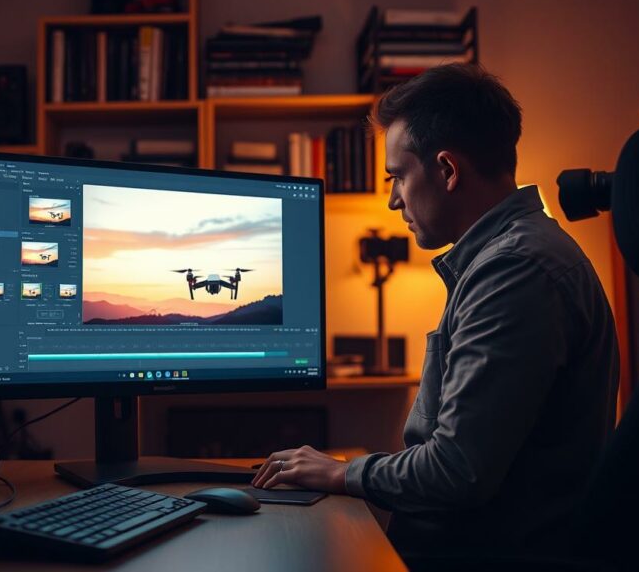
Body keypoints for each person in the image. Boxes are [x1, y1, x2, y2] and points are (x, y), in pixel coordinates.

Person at [252, 63, 619, 559]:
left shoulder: (514, 271)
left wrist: (341, 472)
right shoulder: (512, 257)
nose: (392, 200)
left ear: (447, 170)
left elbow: (456, 469)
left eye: (397, 177)